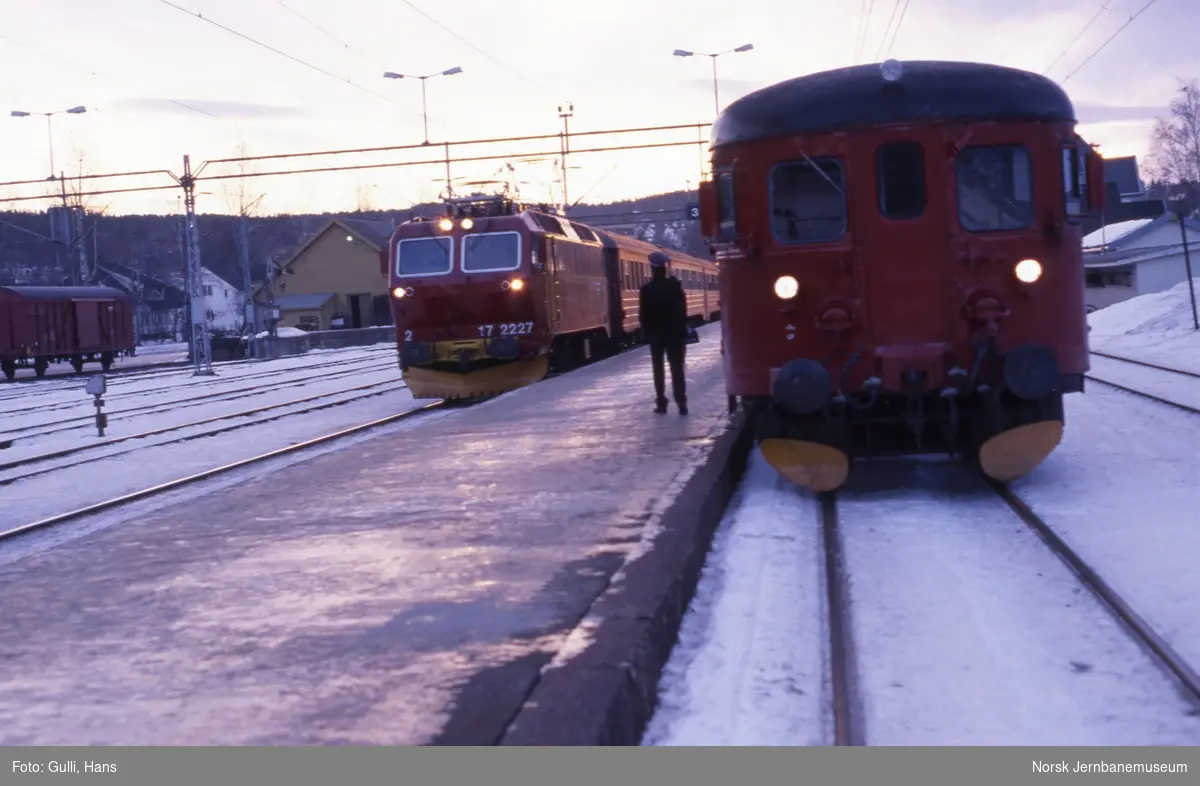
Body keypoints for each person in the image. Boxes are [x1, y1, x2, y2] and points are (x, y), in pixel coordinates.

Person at [638, 251, 689, 415]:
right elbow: (683, 311)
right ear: (665, 268)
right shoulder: (675, 286)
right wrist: (682, 329)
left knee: (658, 369)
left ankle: (661, 403)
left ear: (652, 269)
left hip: (656, 335)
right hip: (675, 334)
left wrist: (647, 332)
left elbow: (643, 315)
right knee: (677, 369)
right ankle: (681, 403)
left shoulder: (646, 290)